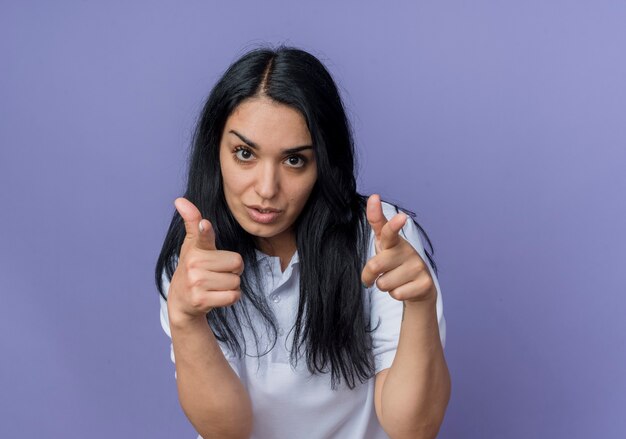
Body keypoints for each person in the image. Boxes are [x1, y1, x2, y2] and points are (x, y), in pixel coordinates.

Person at [155, 45, 451, 439]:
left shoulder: (382, 243)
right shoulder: (195, 257)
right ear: (216, 151)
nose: (266, 189)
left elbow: (414, 428)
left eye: (294, 160)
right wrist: (185, 321)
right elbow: (227, 431)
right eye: (244, 153)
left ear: (323, 162)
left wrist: (420, 304)